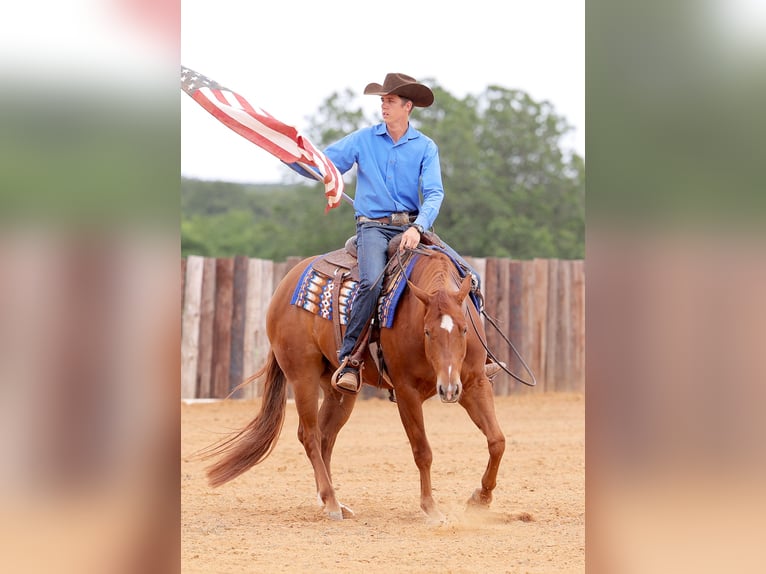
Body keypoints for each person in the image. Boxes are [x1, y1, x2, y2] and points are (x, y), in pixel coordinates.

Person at [318, 73, 497, 393]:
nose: (384, 106)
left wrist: (418, 227)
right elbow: (326, 162)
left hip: (413, 226)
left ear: (407, 106)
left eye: (390, 101)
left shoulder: (426, 147)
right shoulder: (362, 140)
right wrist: (303, 158)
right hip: (372, 226)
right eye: (382, 101)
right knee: (371, 282)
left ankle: (477, 358)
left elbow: (434, 193)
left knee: (471, 277)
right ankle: (351, 359)